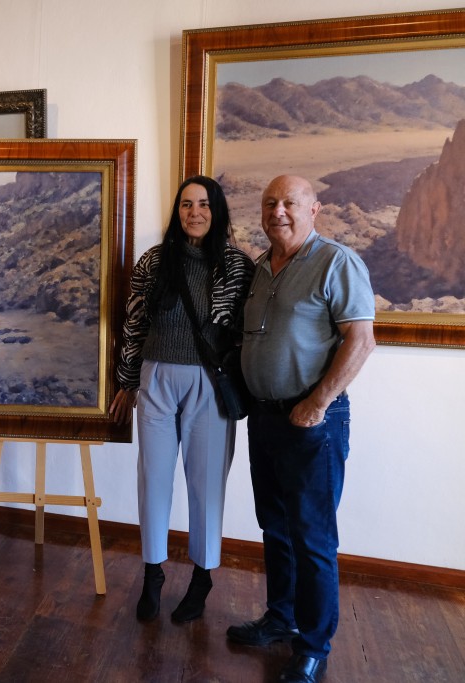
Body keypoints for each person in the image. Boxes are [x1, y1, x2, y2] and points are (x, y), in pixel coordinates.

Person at [227, 175, 375, 683]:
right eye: (270, 204)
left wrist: (317, 403)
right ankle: (281, 617)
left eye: (290, 202)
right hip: (266, 417)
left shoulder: (336, 262)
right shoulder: (261, 269)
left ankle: (313, 648)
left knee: (312, 537)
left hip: (312, 422)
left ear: (315, 209)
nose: (279, 212)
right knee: (274, 525)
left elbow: (361, 341)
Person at [110, 175, 254, 623]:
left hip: (209, 385)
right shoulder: (154, 261)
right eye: (187, 204)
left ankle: (201, 578)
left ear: (218, 210)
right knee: (153, 479)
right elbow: (133, 325)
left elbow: (245, 334)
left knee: (206, 485)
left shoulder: (237, 266)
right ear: (177, 212)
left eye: (205, 205)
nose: (195, 213)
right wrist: (126, 381)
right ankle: (152, 574)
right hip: (156, 378)